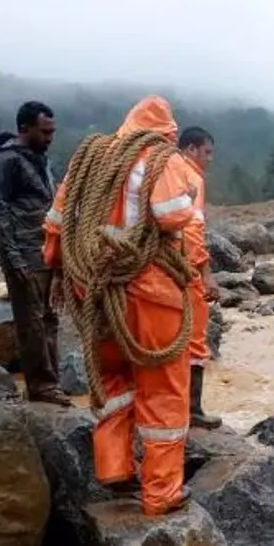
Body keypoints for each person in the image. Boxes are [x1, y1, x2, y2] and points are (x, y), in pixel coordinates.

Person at [43, 95, 198, 516]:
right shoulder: (159, 157)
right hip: (147, 291)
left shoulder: (88, 158)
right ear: (168, 131)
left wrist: (58, 271)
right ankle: (161, 492)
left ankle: (114, 469)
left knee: (114, 379)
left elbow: (56, 223)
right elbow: (172, 214)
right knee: (162, 387)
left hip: (93, 288)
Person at [0, 101, 71, 406]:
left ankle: (51, 382)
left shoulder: (40, 160)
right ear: (25, 129)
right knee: (31, 322)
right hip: (23, 253)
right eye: (45, 131)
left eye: (52, 131)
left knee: (49, 319)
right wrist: (13, 258)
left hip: (45, 252)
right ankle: (41, 386)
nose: (50, 137)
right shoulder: (6, 161)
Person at [178, 126, 224, 430]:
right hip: (185, 270)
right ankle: (191, 410)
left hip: (164, 270)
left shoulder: (167, 171)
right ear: (191, 149)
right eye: (207, 152)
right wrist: (205, 272)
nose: (210, 158)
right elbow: (192, 229)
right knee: (194, 339)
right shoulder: (190, 176)